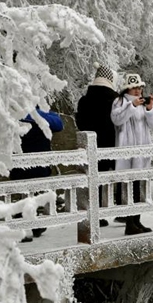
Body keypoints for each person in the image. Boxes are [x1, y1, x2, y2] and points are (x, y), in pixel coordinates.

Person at [111, 73, 153, 235]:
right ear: (127, 89)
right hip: (127, 151)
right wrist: (132, 107)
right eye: (134, 88)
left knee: (138, 186)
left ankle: (137, 221)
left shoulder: (142, 104)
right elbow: (117, 120)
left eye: (139, 87)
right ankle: (129, 223)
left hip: (142, 150)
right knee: (128, 187)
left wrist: (150, 108)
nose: (138, 91)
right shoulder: (119, 102)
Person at [10, 107, 63, 241]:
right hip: (39, 166)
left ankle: (26, 226)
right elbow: (58, 125)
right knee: (33, 195)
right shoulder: (41, 117)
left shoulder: (13, 114)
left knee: (25, 195)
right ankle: (33, 226)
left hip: (18, 165)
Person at [76, 62, 118, 227]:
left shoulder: (84, 100)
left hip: (88, 147)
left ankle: (91, 214)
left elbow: (80, 122)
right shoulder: (114, 100)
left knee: (91, 181)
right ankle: (121, 212)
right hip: (110, 145)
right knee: (106, 179)